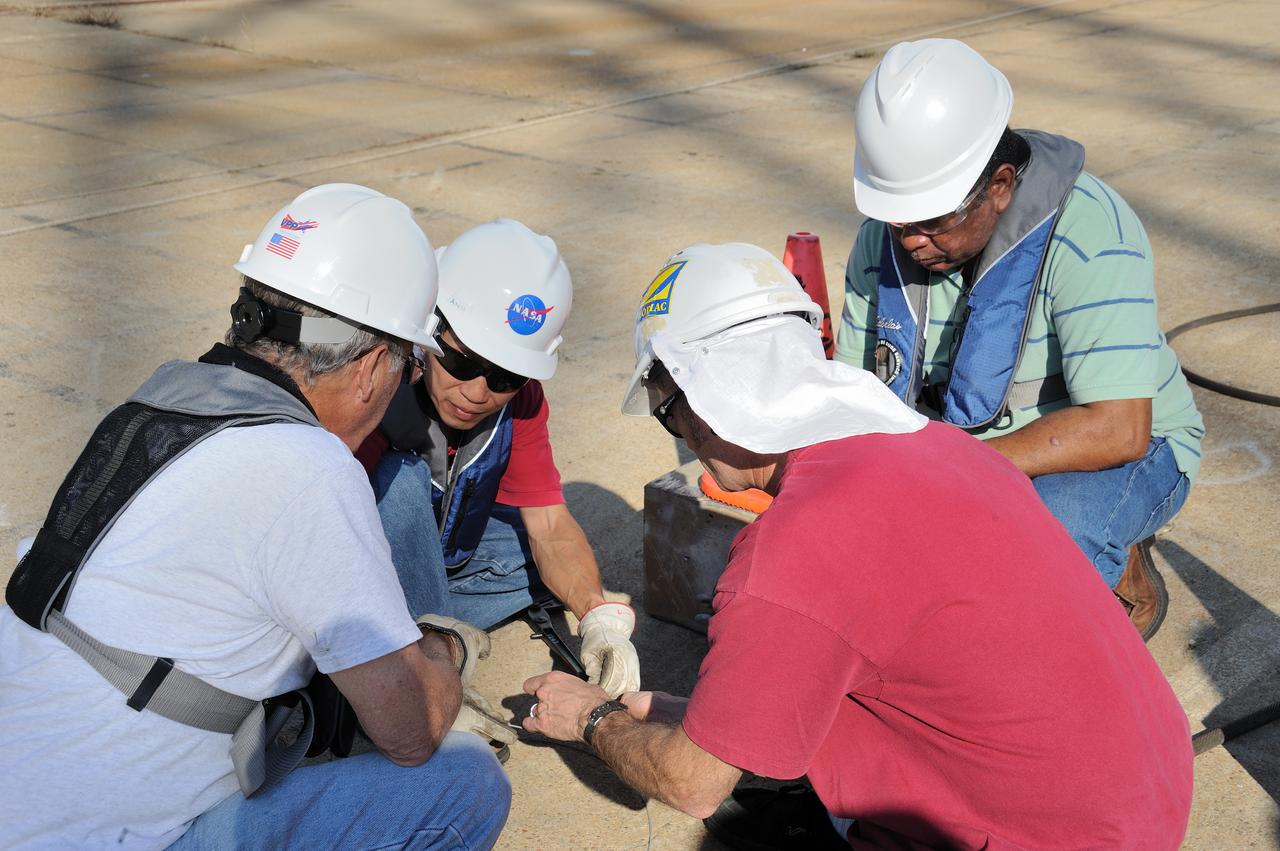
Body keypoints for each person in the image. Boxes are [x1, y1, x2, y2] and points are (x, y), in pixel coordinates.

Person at [524, 242, 1194, 850]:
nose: (682, 436)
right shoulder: (944, 450)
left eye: (669, 411)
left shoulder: (792, 554)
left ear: (702, 396)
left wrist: (592, 717)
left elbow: (691, 783)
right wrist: (712, 724)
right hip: (1145, 801)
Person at [0, 184, 510, 850]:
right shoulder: (309, 468)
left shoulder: (150, 409)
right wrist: (442, 648)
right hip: (109, 838)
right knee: (464, 783)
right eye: (410, 364)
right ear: (368, 369)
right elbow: (409, 732)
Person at [835, 39, 1204, 639]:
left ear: (1001, 185)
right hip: (964, 446)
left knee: (1046, 544)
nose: (911, 241)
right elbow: (855, 399)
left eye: (932, 219)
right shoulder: (882, 243)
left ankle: (1112, 566)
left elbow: (1120, 428)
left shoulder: (1092, 233)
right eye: (898, 220)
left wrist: (957, 476)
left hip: (1119, 452)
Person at [361, 218, 641, 697]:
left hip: (435, 554)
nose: (477, 393)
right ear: (430, 325)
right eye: (462, 361)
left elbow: (548, 524)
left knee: (537, 556)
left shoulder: (522, 402)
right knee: (401, 478)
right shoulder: (376, 379)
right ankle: (419, 660)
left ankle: (408, 629)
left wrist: (598, 620)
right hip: (358, 565)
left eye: (505, 376)